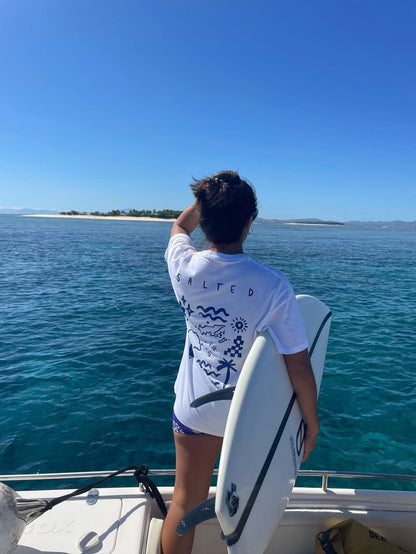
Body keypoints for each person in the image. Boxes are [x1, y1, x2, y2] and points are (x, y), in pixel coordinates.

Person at [162, 170, 319, 554]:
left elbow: (179, 226)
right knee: (248, 507)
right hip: (247, 417)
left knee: (183, 500)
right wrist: (311, 422)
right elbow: (297, 365)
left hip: (195, 412)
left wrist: (204, 204)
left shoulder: (182, 265)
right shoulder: (273, 285)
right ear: (250, 223)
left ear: (206, 218)